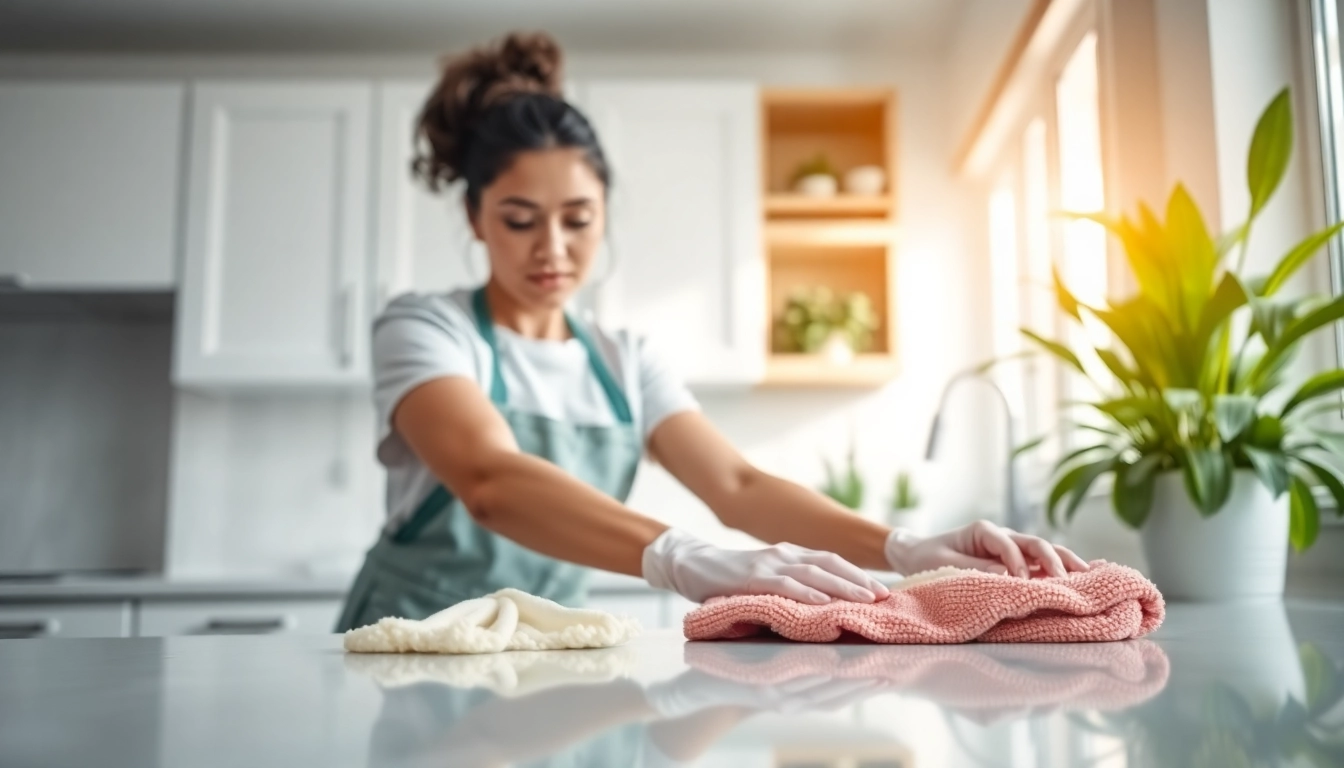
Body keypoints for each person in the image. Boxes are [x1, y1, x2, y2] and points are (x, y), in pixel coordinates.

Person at [334, 31, 1089, 633]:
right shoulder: (426, 328)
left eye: (578, 219)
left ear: (605, 212)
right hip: (406, 644)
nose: (553, 249)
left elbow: (737, 486)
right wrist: (679, 557)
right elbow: (489, 481)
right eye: (519, 221)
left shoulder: (624, 361)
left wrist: (903, 549)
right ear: (475, 218)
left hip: (536, 649)